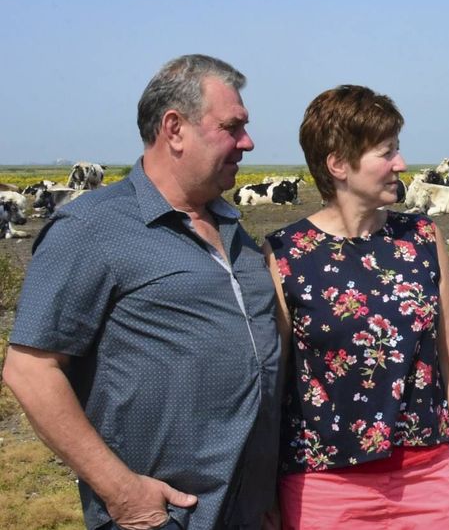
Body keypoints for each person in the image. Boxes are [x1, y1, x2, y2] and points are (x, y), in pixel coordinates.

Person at [2, 54, 282, 530]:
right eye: (232, 127)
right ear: (174, 129)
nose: (248, 142)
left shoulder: (236, 231)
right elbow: (30, 369)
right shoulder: (92, 228)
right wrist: (121, 490)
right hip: (163, 515)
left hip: (250, 510)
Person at [263, 85, 449, 529]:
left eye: (398, 149)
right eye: (386, 152)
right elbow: (274, 377)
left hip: (426, 478)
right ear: (339, 164)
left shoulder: (422, 238)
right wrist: (263, 485)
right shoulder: (286, 254)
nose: (401, 164)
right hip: (323, 488)